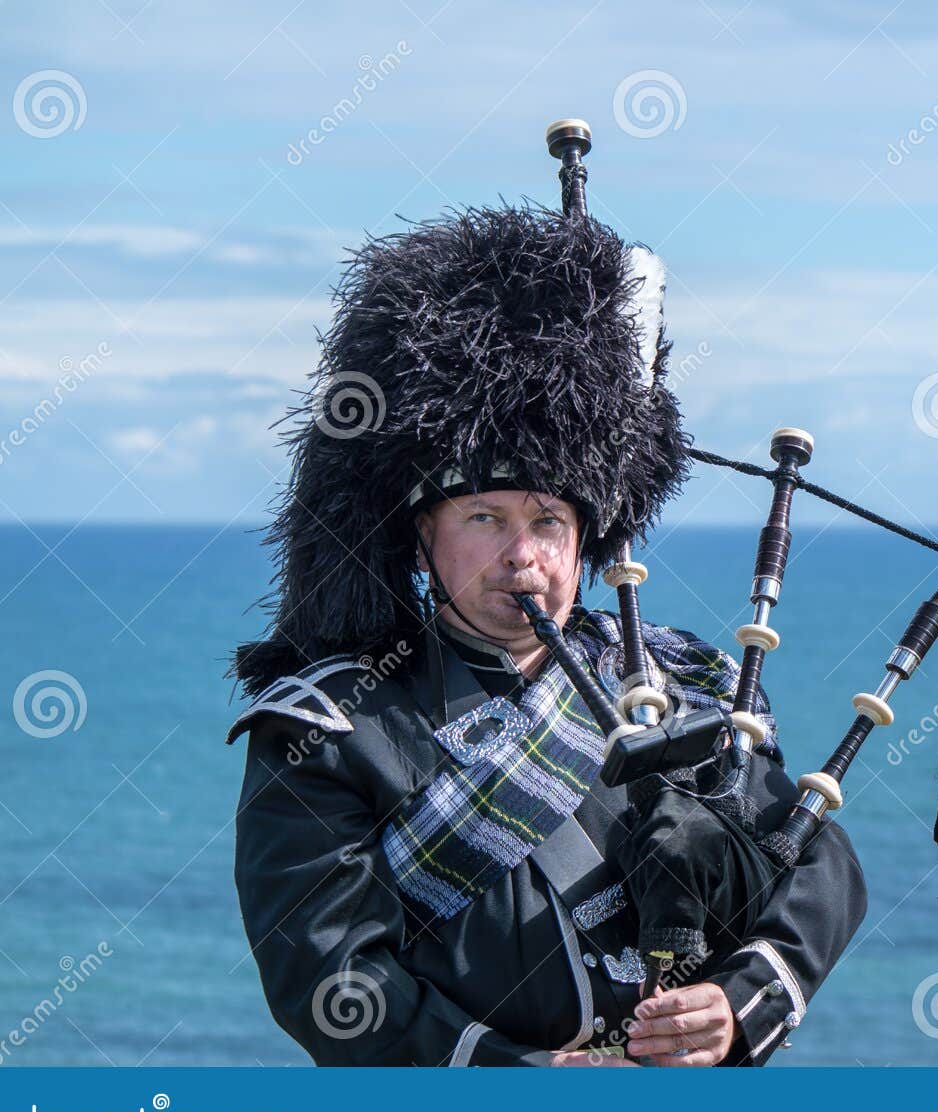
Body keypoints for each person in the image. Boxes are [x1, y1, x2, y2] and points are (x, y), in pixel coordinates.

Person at [225, 200, 868, 1067]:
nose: (522, 557)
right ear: (422, 534)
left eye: (549, 522)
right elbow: (325, 971)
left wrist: (738, 1001)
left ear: (585, 541)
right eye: (485, 517)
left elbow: (817, 858)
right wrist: (514, 1077)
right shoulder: (332, 729)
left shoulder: (673, 684)